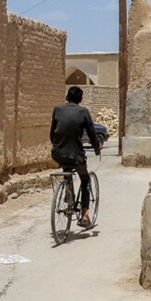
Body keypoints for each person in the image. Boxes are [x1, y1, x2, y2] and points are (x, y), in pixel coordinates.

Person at [50, 86, 102, 227]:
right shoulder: (83, 112)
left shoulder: (57, 110)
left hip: (58, 154)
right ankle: (85, 214)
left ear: (67, 97)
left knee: (67, 167)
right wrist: (97, 148)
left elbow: (52, 134)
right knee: (85, 180)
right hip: (76, 155)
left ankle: (68, 191)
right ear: (80, 99)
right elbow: (92, 134)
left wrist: (58, 148)